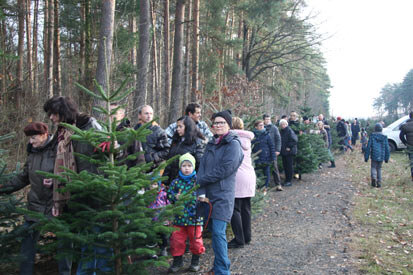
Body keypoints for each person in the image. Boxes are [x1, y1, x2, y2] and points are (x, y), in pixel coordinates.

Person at [43, 96, 107, 274]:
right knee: (78, 242)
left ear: (63, 112)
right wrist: (54, 178)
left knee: (90, 241)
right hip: (71, 194)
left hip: (91, 193)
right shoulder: (62, 132)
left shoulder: (88, 125)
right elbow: (58, 162)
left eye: (53, 114)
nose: (51, 118)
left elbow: (108, 151)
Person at [0, 122, 71, 275]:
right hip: (35, 205)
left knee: (64, 244)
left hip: (56, 205)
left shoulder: (59, 148)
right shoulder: (32, 152)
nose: (30, 142)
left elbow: (68, 173)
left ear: (44, 135)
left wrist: (55, 182)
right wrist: (3, 188)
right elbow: (23, 177)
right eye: (29, 139)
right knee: (27, 243)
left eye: (33, 138)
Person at [197, 110, 243, 275]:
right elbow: (202, 168)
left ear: (229, 125)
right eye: (215, 123)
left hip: (223, 195)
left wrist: (202, 180)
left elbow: (226, 169)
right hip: (208, 195)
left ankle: (223, 270)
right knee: (213, 234)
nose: (217, 126)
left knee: (218, 232)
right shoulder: (212, 143)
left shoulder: (233, 144)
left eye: (221, 122)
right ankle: (218, 267)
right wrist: (200, 190)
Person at [167, 153, 205, 273]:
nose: (187, 168)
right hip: (179, 217)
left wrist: (201, 199)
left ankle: (195, 261)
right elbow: (169, 194)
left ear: (193, 167)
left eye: (189, 165)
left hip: (195, 218)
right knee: (176, 240)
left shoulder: (198, 181)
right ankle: (177, 261)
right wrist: (174, 197)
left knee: (196, 240)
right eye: (184, 165)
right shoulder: (176, 182)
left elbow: (204, 194)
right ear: (180, 167)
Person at [229, 117, 256, 249]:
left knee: (235, 209)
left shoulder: (232, 139)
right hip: (250, 175)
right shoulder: (247, 139)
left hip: (238, 176)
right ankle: (247, 236)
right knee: (246, 208)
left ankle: (239, 239)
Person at [163, 116, 206, 185]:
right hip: (173, 183)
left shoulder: (197, 143)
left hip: (187, 184)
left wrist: (195, 183)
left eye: (180, 127)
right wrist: (164, 182)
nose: (177, 129)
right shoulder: (176, 141)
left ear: (188, 127)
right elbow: (169, 163)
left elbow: (199, 165)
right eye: (177, 127)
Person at [252, 120, 276, 190]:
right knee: (257, 173)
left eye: (262, 125)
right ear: (256, 127)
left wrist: (273, 157)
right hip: (256, 157)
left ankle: (265, 187)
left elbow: (271, 146)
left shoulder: (266, 134)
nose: (262, 127)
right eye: (260, 125)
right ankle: (258, 187)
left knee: (266, 173)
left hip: (266, 157)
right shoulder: (253, 135)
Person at [364, 123, 390, 188]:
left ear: (375, 129)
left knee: (373, 167)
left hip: (374, 155)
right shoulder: (384, 137)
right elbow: (387, 148)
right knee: (379, 168)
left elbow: (368, 147)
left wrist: (366, 157)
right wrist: (386, 158)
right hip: (381, 155)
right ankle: (379, 182)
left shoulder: (372, 136)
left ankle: (373, 178)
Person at [263, 114, 282, 191]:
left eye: (269, 119)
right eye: (266, 119)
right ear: (263, 120)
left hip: (272, 151)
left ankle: (278, 184)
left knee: (274, 167)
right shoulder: (261, 127)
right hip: (263, 151)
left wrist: (277, 150)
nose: (267, 120)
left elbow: (278, 139)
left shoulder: (274, 128)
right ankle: (264, 186)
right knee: (264, 168)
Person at [279, 119, 298, 186]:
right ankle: (286, 179)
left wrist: (289, 147)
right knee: (285, 166)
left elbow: (294, 140)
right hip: (284, 152)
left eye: (284, 124)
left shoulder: (289, 131)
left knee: (289, 166)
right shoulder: (282, 131)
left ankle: (289, 180)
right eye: (281, 124)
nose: (283, 125)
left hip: (289, 152)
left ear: (286, 124)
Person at [399, 111, 413, 181]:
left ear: (410, 116)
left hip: (410, 146)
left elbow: (401, 136)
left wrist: (405, 143)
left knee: (412, 161)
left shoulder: (405, 125)